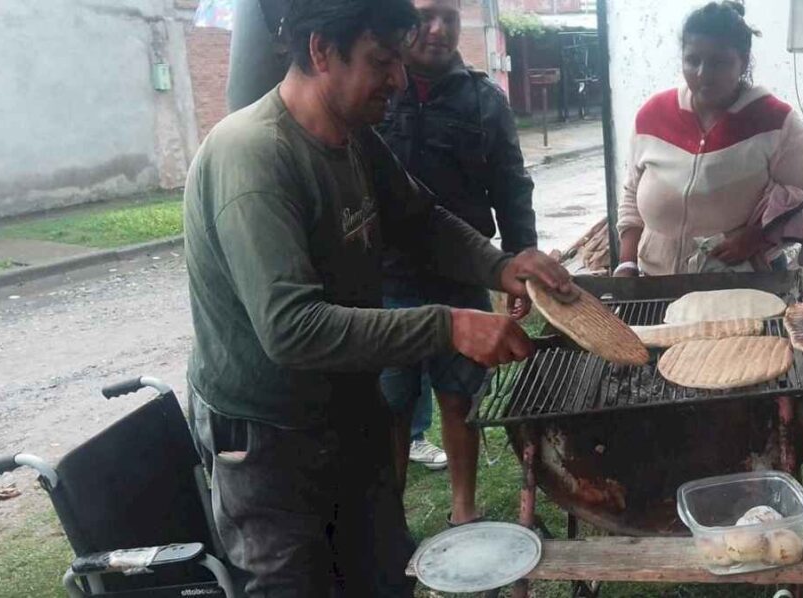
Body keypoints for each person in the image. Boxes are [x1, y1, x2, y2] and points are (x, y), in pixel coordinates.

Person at [183, 0, 572, 594]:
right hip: (270, 443)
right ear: (320, 52)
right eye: (381, 61)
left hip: (347, 411)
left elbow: (421, 221)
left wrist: (502, 267)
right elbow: (291, 329)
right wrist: (449, 325)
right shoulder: (254, 158)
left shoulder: (354, 138)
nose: (397, 78)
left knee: (384, 575)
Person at [376, 0, 536, 523]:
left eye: (449, 16)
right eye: (425, 16)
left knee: (458, 397)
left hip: (463, 276)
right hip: (387, 278)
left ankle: (462, 510)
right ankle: (390, 516)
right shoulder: (377, 92)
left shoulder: (484, 100)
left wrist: (518, 262)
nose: (438, 29)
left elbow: (512, 187)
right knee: (392, 403)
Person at [616, 1, 803, 277]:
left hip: (740, 282)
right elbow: (632, 192)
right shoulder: (652, 115)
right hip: (656, 280)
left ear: (743, 60)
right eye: (693, 60)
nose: (703, 74)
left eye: (719, 62)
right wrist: (627, 262)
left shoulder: (775, 122)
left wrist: (758, 238)